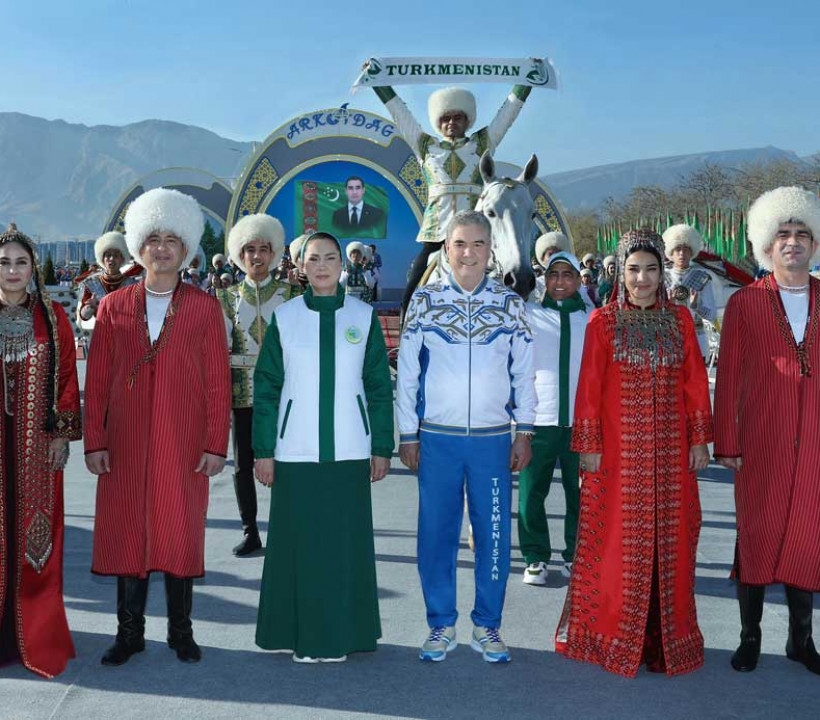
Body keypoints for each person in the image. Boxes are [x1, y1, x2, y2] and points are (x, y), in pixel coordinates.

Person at [555, 227, 712, 678]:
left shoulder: (680, 320)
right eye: (633, 269)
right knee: (615, 543)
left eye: (651, 269)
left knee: (673, 541)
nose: (642, 279)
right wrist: (588, 448)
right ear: (620, 273)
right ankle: (614, 634)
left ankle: (667, 639)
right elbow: (589, 388)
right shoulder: (603, 322)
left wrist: (699, 438)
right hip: (617, 459)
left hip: (670, 456)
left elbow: (695, 383)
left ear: (663, 272)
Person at [84, 188, 231, 666]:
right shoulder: (112, 308)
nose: (162, 247)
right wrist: (94, 442)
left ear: (187, 248)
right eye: (153, 238)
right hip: (124, 443)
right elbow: (99, 381)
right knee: (128, 530)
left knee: (180, 530)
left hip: (183, 441)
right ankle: (129, 634)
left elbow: (217, 384)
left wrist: (215, 444)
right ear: (137, 246)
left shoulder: (205, 308)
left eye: (173, 238)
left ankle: (181, 632)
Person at [396, 210, 535, 664]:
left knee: (493, 534)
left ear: (490, 250)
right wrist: (407, 433)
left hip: (493, 440)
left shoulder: (511, 304)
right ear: (446, 249)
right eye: (460, 244)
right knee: (435, 534)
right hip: (437, 438)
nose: (469, 253)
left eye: (478, 244)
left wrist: (525, 430)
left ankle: (487, 626)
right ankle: (440, 624)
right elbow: (408, 375)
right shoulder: (425, 301)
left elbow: (523, 374)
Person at [253, 231, 393, 663]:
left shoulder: (363, 316)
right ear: (300, 266)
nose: (322, 266)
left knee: (343, 545)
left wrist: (382, 446)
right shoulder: (286, 318)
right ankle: (301, 635)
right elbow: (267, 388)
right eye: (313, 258)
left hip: (350, 447)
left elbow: (378, 387)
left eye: (330, 258)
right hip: (295, 449)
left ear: (343, 264)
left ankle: (343, 635)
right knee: (300, 546)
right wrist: (263, 450)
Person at [713, 186, 820, 676]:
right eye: (783, 234)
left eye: (802, 234)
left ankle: (801, 640)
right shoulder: (745, 305)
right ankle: (749, 636)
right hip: (760, 442)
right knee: (756, 535)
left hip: (817, 443)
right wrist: (727, 441)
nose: (793, 242)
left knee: (808, 535)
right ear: (766, 246)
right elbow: (730, 376)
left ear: (815, 245)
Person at [371, 81, 532, 313]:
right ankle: (406, 336)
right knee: (412, 291)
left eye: (458, 117)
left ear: (467, 120)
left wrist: (525, 84)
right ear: (438, 123)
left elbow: (506, 115)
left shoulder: (482, 143)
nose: (451, 123)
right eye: (446, 118)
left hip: (478, 235)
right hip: (437, 234)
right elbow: (400, 114)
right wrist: (380, 83)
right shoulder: (425, 146)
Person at [0, 224, 81, 678]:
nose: (13, 270)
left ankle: (35, 632)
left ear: (33, 268)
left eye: (21, 262)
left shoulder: (52, 318)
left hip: (35, 445)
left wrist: (59, 436)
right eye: (5, 262)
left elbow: (68, 378)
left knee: (36, 537)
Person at [218, 213, 300, 556]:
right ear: (239, 254)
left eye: (263, 249)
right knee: (242, 467)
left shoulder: (293, 293)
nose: (256, 256)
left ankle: (288, 529)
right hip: (241, 395)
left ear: (274, 253)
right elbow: (217, 350)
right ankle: (250, 531)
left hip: (285, 396)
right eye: (249, 249)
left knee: (289, 464)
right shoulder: (226, 298)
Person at [519, 251, 588, 585]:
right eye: (554, 274)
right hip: (539, 420)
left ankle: (577, 555)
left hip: (580, 423)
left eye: (567, 275)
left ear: (578, 279)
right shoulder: (528, 314)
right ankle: (535, 557)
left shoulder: (592, 319)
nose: (560, 281)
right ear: (545, 279)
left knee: (582, 495)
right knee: (532, 491)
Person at [663, 224, 717, 360]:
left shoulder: (702, 278)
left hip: (697, 341)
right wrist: (668, 307)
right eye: (677, 249)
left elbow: (712, 315)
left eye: (686, 249)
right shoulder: (662, 278)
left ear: (692, 252)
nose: (681, 254)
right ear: (670, 252)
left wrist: (696, 306)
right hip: (670, 341)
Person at [77, 231, 139, 329]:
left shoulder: (133, 285)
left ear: (122, 259)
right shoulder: (91, 284)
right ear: (102, 259)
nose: (111, 259)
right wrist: (90, 307)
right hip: (102, 336)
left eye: (116, 255)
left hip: (126, 336)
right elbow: (83, 317)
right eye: (108, 255)